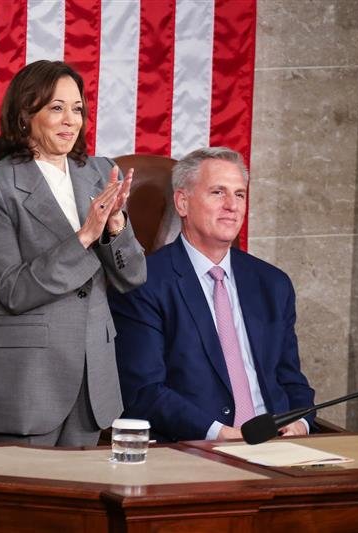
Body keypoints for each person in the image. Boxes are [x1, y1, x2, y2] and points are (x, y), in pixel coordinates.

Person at [0, 60, 146, 447]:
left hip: (93, 377)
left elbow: (133, 277)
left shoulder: (102, 173)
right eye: (56, 108)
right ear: (25, 115)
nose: (70, 120)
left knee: (82, 504)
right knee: (16, 504)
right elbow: (13, 289)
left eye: (77, 109)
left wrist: (116, 227)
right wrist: (86, 235)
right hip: (24, 380)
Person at [109, 147, 314, 442]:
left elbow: (292, 380)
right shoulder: (146, 282)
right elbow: (145, 392)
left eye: (240, 194)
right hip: (196, 449)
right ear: (182, 202)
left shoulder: (273, 284)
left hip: (280, 446)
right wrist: (221, 434)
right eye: (218, 192)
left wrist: (301, 424)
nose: (232, 205)